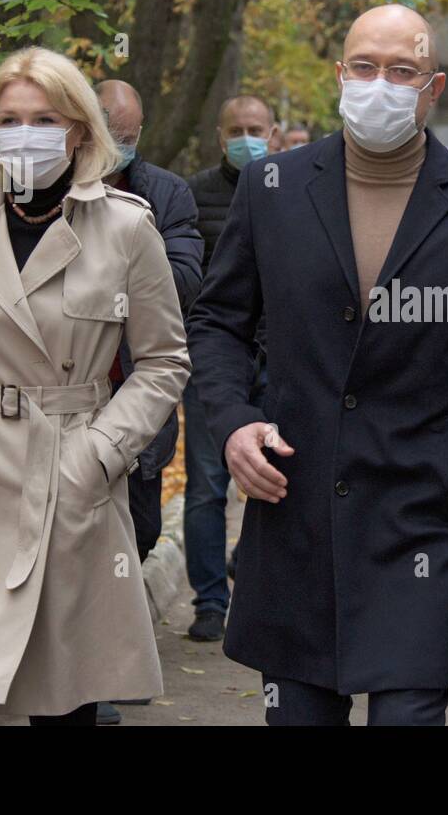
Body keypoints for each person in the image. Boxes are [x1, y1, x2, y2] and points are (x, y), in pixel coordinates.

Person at [188, 4, 448, 725]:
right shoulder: (274, 190)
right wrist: (233, 422)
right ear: (339, 76)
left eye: (402, 70)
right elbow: (217, 322)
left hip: (423, 526)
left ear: (434, 86)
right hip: (294, 515)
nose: (379, 84)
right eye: (364, 66)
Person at [0, 46, 191, 726]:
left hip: (70, 484)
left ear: (80, 129)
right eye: (9, 118)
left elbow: (165, 358)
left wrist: (100, 452)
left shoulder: (126, 227)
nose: (25, 133)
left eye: (45, 118)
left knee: (63, 706)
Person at [95, 79, 203, 725]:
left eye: (129, 137)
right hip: (62, 400)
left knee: (138, 530)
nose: (118, 146)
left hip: (134, 397)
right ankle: (94, 672)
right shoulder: (41, 188)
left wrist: (127, 245)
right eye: (109, 131)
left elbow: (186, 279)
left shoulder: (165, 195)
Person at [182, 94, 277, 643]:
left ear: (274, 131)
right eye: (237, 129)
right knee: (206, 486)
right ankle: (210, 602)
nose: (247, 137)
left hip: (279, 359)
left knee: (277, 481)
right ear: (221, 137)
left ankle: (256, 572)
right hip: (215, 363)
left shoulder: (290, 191)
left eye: (256, 128)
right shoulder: (194, 196)